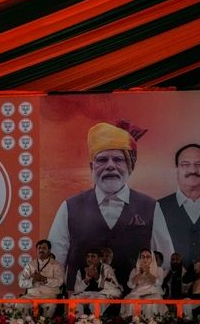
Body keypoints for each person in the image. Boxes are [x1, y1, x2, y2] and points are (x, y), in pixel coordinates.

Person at [48, 121, 174, 289]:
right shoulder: (69, 208)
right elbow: (53, 267)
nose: (110, 166)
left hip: (135, 309)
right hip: (81, 310)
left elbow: (166, 263)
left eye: (118, 159)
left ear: (129, 166)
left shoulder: (150, 207)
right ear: (91, 167)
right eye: (102, 159)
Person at [18, 239, 64, 317]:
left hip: (49, 296)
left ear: (49, 250)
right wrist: (33, 280)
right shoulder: (30, 265)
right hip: (31, 296)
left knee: (50, 306)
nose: (41, 250)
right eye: (39, 248)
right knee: (20, 304)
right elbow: (21, 283)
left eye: (44, 248)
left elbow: (60, 281)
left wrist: (44, 279)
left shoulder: (56, 265)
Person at [71, 248, 122, 315]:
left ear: (100, 258)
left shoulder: (106, 268)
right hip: (86, 294)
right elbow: (76, 290)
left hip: (102, 294)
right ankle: (78, 320)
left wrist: (97, 277)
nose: (89, 259)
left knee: (96, 302)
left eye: (93, 256)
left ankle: (96, 320)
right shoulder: (81, 270)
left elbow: (115, 289)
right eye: (88, 256)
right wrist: (86, 280)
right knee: (73, 299)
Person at [121, 248, 167, 318]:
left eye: (148, 257)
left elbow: (158, 284)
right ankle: (133, 321)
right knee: (131, 301)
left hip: (153, 293)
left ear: (152, 258)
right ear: (140, 258)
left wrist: (148, 273)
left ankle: (151, 321)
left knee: (150, 302)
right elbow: (130, 285)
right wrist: (140, 274)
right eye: (143, 257)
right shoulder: (135, 270)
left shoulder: (158, 269)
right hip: (137, 293)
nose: (145, 259)